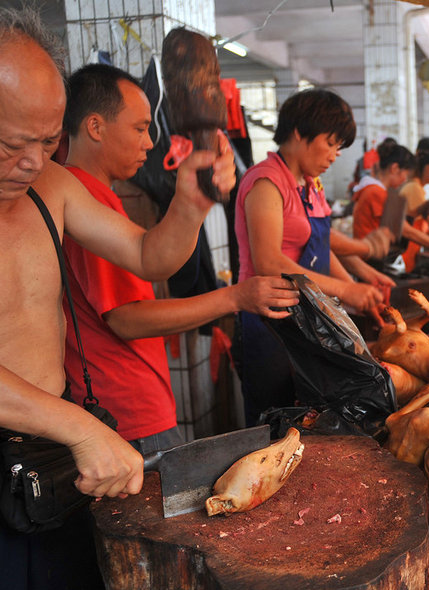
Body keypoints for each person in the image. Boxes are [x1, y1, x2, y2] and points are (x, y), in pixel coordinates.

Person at [0, 5, 234, 590]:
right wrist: (77, 425)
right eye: (12, 143)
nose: (32, 162)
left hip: (50, 472)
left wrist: (190, 205)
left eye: (47, 141)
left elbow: (148, 255)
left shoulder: (53, 185)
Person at [60, 63, 298, 455]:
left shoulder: (98, 197)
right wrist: (235, 297)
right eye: (139, 129)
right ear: (95, 127)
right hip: (124, 410)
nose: (150, 143)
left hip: (130, 400)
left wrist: (195, 203)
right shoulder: (83, 197)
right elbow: (127, 318)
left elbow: (152, 255)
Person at [233, 88, 385, 425]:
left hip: (305, 319)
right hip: (268, 322)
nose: (334, 155)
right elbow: (270, 263)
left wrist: (356, 291)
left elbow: (319, 246)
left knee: (310, 421)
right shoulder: (266, 182)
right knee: (274, 419)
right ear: (300, 133)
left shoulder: (309, 184)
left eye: (339, 147)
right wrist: (346, 291)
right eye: (330, 143)